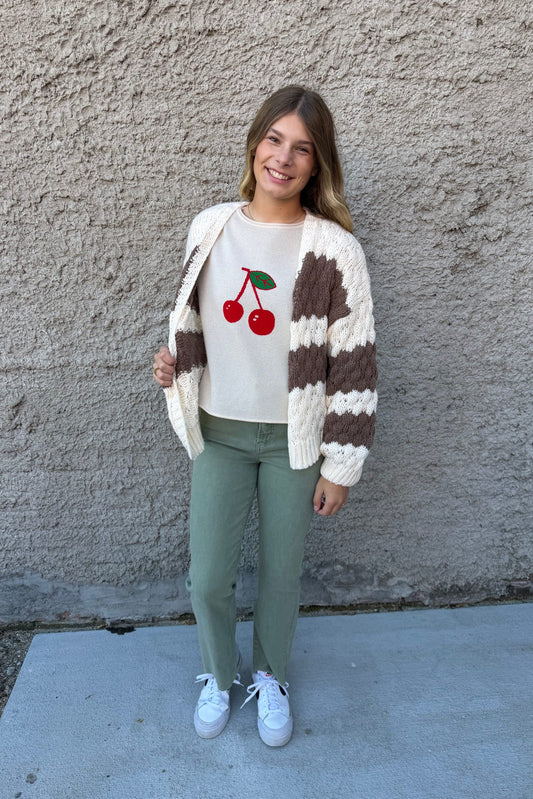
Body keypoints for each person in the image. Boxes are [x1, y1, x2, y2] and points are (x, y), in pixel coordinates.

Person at [153, 85, 377, 747]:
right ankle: (218, 675)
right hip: (217, 433)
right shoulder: (211, 225)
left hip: (292, 442)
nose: (283, 157)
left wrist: (341, 466)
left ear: (316, 165)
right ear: (254, 143)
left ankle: (270, 674)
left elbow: (355, 364)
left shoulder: (334, 249)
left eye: (301, 148)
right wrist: (172, 364)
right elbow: (190, 326)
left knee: (281, 574)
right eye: (274, 139)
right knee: (207, 575)